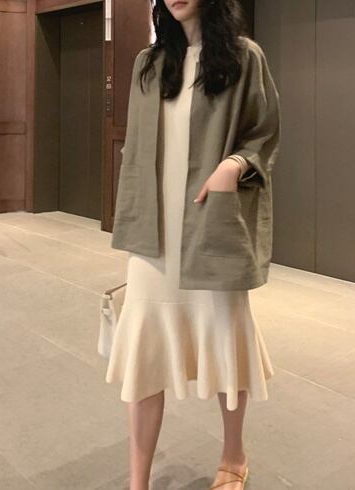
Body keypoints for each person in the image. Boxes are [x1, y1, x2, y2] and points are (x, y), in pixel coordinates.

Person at [105, 0, 281, 488]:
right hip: (153, 233)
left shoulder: (243, 57)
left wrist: (234, 166)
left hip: (211, 224)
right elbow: (137, 145)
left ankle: (233, 456)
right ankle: (137, 480)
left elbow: (264, 134)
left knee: (226, 343)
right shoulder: (148, 63)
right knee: (143, 357)